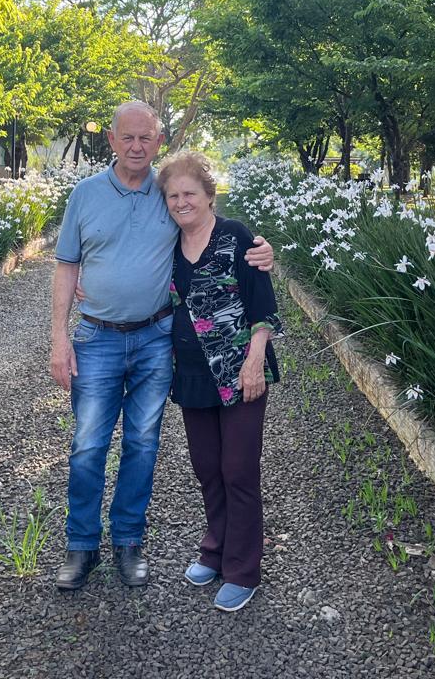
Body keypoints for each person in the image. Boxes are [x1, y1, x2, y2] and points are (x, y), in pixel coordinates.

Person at [50, 102, 273, 592]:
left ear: (158, 141)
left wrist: (262, 250)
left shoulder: (167, 193)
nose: (136, 146)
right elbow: (67, 265)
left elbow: (219, 237)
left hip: (156, 340)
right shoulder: (86, 195)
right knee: (88, 445)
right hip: (98, 339)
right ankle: (81, 545)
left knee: (143, 445)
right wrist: (59, 337)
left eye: (145, 138)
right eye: (127, 137)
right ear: (111, 140)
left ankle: (129, 542)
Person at [157, 151, 281, 613]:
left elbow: (263, 305)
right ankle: (215, 549)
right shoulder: (167, 244)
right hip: (191, 373)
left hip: (239, 371)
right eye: (173, 196)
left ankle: (243, 569)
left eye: (190, 193)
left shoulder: (236, 238)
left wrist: (255, 361)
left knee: (239, 469)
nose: (181, 202)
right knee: (207, 467)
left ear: (210, 196)